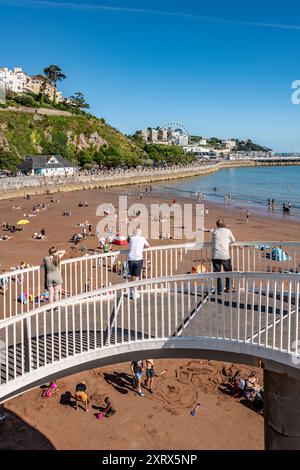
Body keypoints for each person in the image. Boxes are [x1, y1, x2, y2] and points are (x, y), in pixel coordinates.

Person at [203, 219, 235, 295]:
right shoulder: (228, 231)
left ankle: (219, 290)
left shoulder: (215, 231)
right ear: (224, 224)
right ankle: (228, 288)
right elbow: (233, 240)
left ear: (217, 225)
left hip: (215, 255)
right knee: (228, 272)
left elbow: (210, 231)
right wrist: (227, 242)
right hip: (225, 255)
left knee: (217, 273)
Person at [127, 228, 149, 300]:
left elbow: (129, 247)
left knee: (130, 276)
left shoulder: (132, 238)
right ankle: (134, 293)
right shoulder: (142, 238)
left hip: (130, 258)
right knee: (136, 276)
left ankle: (130, 291)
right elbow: (148, 246)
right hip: (138, 259)